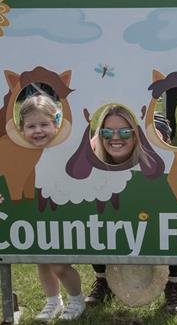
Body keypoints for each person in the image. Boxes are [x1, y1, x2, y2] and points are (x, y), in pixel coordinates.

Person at [86, 105, 177, 313]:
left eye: (124, 131)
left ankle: (174, 282)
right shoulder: (92, 151)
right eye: (107, 131)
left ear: (136, 134)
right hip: (108, 187)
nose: (115, 138)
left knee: (169, 214)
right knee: (92, 214)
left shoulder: (155, 151)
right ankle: (103, 279)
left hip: (150, 165)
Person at [19, 95, 86, 321]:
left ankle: (77, 299)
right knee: (42, 260)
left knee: (59, 264)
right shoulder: (19, 153)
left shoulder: (62, 149)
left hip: (59, 213)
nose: (38, 130)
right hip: (34, 213)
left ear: (56, 125)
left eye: (44, 125)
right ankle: (53, 301)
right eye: (31, 126)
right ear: (21, 129)